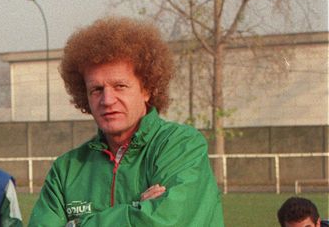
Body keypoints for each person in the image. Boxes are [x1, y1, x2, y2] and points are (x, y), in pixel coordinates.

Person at [28, 16, 224, 226]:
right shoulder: (66, 170)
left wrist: (75, 224)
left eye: (120, 86)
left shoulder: (182, 147)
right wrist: (137, 211)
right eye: (96, 89)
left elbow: (169, 221)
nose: (107, 100)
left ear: (147, 89)